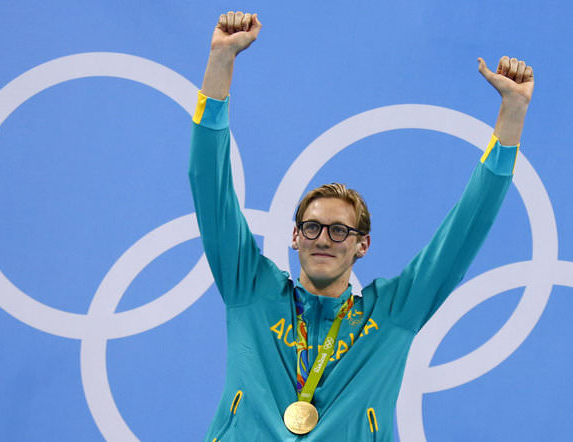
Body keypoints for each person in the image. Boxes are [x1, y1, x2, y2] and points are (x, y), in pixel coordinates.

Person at [189, 11, 533, 442]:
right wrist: (220, 59)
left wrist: (513, 111)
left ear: (362, 245)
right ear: (294, 236)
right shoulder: (251, 290)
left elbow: (465, 231)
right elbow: (211, 187)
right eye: (312, 227)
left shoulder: (393, 313)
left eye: (339, 231)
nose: (323, 239)